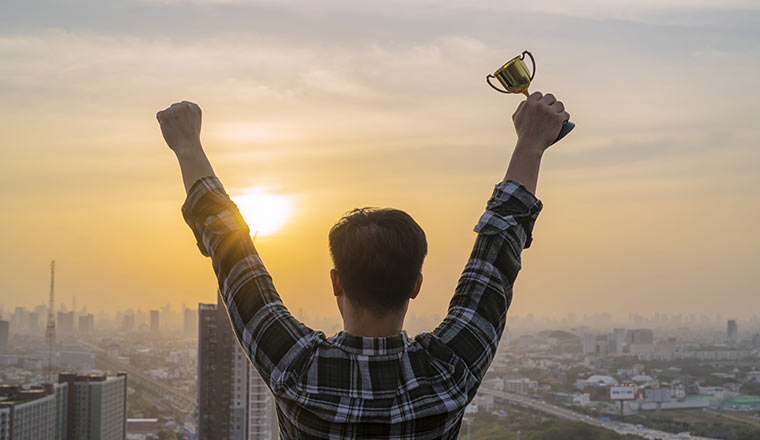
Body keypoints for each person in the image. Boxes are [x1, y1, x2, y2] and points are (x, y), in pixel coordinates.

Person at [157, 92, 569, 439]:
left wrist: (188, 148)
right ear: (416, 285)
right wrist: (530, 145)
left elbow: (235, 259)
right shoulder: (446, 374)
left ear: (337, 283)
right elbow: (496, 256)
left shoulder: (299, 371)